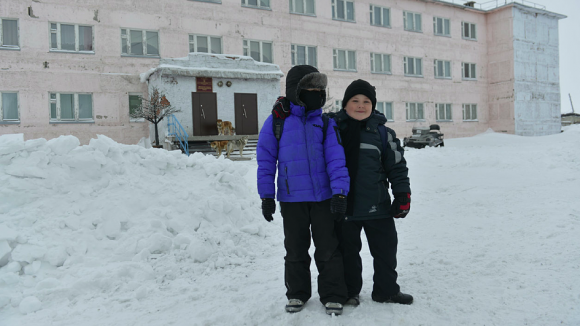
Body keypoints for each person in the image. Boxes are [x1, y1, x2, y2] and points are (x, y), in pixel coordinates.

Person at [256, 65, 350, 315]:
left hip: (323, 198)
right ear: (295, 91)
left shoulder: (326, 122)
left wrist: (340, 192)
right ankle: (297, 293)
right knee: (295, 249)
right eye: (310, 89)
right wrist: (266, 196)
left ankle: (332, 294)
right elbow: (266, 160)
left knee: (328, 248)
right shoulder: (278, 121)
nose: (316, 94)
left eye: (320, 90)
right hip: (292, 199)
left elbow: (336, 159)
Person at [332, 79, 413, 306]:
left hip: (378, 205)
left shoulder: (383, 133)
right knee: (348, 253)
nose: (360, 105)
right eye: (355, 100)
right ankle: (350, 292)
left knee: (386, 252)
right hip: (345, 206)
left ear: (373, 105)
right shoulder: (333, 130)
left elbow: (397, 167)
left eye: (366, 101)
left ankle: (386, 290)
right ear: (345, 104)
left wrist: (402, 195)